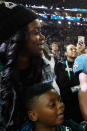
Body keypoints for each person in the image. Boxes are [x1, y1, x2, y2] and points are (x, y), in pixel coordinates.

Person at [0, 2, 58, 130]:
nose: (43, 38)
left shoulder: (44, 66)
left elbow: (55, 109)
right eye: (36, 32)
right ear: (16, 37)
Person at [55, 44, 83, 123]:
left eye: (75, 49)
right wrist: (81, 87)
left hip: (82, 101)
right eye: (71, 49)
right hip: (69, 104)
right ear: (66, 53)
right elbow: (64, 88)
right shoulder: (61, 66)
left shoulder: (81, 64)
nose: (74, 50)